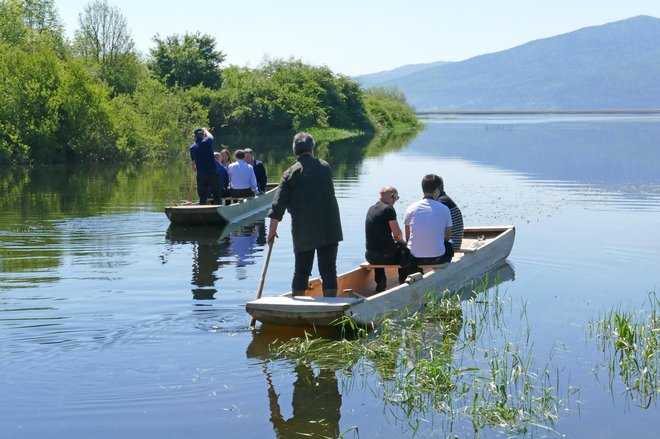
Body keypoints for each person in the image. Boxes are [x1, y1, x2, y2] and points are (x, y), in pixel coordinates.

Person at [267, 132, 343, 297]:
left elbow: (277, 206)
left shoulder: (289, 174)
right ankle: (331, 304)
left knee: (301, 270)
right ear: (312, 148)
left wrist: (272, 230)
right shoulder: (325, 167)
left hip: (304, 230)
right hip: (328, 227)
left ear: (295, 150)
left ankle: (298, 301)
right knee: (328, 270)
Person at [404, 174, 453, 274]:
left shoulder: (411, 208)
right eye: (439, 190)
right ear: (436, 190)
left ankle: (416, 272)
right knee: (450, 243)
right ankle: (441, 273)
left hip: (414, 257)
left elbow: (408, 237)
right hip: (437, 257)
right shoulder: (444, 209)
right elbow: (447, 237)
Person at [365, 186, 409, 292]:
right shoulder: (389, 209)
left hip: (370, 256)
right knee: (405, 252)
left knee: (379, 249)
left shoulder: (371, 209)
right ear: (382, 194)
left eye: (397, 197)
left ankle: (381, 283)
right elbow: (397, 235)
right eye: (393, 196)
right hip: (387, 256)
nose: (394, 199)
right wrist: (403, 243)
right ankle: (403, 282)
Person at [189, 127, 221, 205]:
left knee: (202, 196)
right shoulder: (207, 141)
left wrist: (194, 168)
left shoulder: (192, 147)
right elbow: (211, 136)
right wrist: (206, 130)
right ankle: (218, 208)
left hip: (201, 175)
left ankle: (201, 208)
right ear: (203, 135)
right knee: (216, 194)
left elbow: (193, 163)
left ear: (194, 136)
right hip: (212, 173)